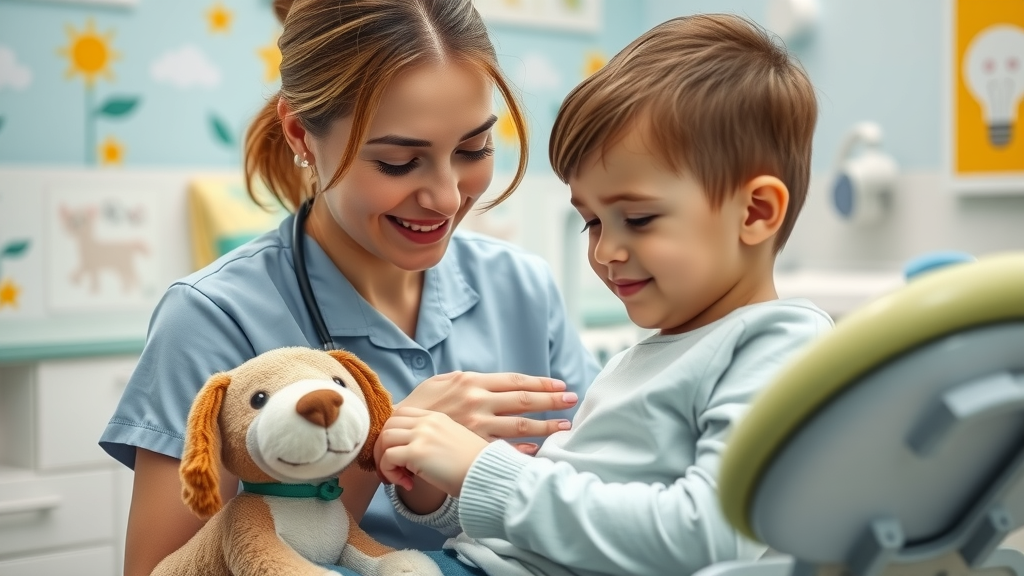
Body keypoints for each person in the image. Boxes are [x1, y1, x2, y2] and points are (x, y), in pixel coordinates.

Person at [98, 1, 601, 574]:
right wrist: (379, 450)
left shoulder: (522, 287)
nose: (445, 196)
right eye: (396, 162)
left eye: (473, 150)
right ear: (301, 135)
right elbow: (159, 570)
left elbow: (602, 488)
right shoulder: (213, 316)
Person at [374, 13, 835, 576]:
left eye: (637, 219)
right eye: (592, 222)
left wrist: (480, 472)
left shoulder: (776, 346)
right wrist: (440, 490)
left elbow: (706, 534)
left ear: (756, 212)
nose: (604, 251)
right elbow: (572, 508)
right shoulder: (656, 352)